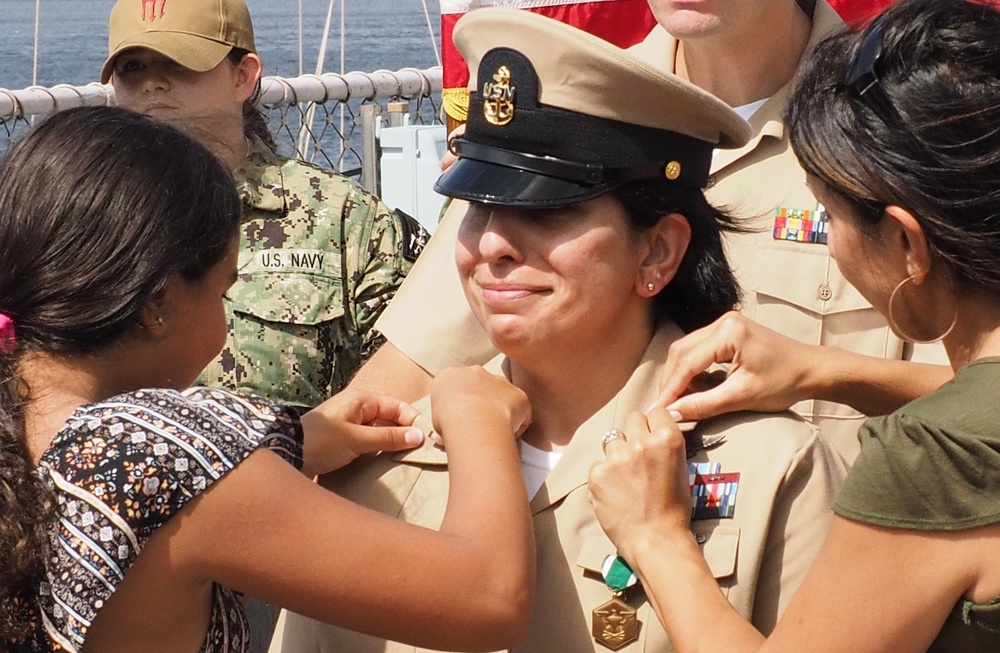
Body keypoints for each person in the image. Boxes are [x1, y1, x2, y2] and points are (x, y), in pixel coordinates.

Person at [270, 9, 846, 653]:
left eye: (547, 210)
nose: (493, 242)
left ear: (657, 252)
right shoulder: (378, 472)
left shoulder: (771, 470)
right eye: (478, 205)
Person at [0, 105, 535, 653]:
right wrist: (477, 417)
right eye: (222, 291)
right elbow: (488, 601)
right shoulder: (155, 453)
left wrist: (291, 444)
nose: (224, 321)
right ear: (158, 303)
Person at [351, 0, 947, 465]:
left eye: (553, 212)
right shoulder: (565, 111)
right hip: (589, 568)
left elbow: (980, 394)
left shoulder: (902, 124)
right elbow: (394, 390)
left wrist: (824, 373)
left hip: (822, 577)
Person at [588, 1, 1000, 650]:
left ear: (907, 246)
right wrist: (822, 370)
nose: (830, 240)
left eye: (831, 217)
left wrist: (655, 537)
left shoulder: (934, 463)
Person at [101, 0, 429, 414]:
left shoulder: (343, 219)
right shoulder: (86, 223)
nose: (153, 84)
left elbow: (420, 362)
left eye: (180, 63)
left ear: (243, 77)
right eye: (133, 68)